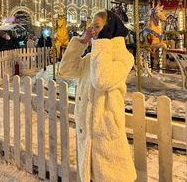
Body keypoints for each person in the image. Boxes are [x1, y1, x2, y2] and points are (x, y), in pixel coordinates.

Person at [58, 10, 136, 182]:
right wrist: (82, 43)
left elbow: (102, 80)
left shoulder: (124, 57)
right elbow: (65, 70)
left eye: (97, 26)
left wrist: (102, 43)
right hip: (87, 134)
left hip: (106, 135)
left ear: (110, 29)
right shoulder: (92, 58)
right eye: (92, 26)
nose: (92, 30)